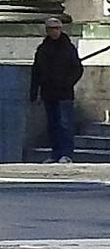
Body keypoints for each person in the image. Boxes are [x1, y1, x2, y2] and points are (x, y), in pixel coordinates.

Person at [30, 16, 82, 163]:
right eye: (51, 29)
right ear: (47, 31)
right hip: (48, 92)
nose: (55, 32)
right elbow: (36, 71)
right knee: (52, 125)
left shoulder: (68, 47)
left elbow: (77, 68)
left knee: (65, 124)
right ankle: (55, 153)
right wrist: (34, 92)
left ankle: (66, 154)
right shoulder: (42, 49)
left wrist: (67, 83)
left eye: (57, 28)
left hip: (64, 92)